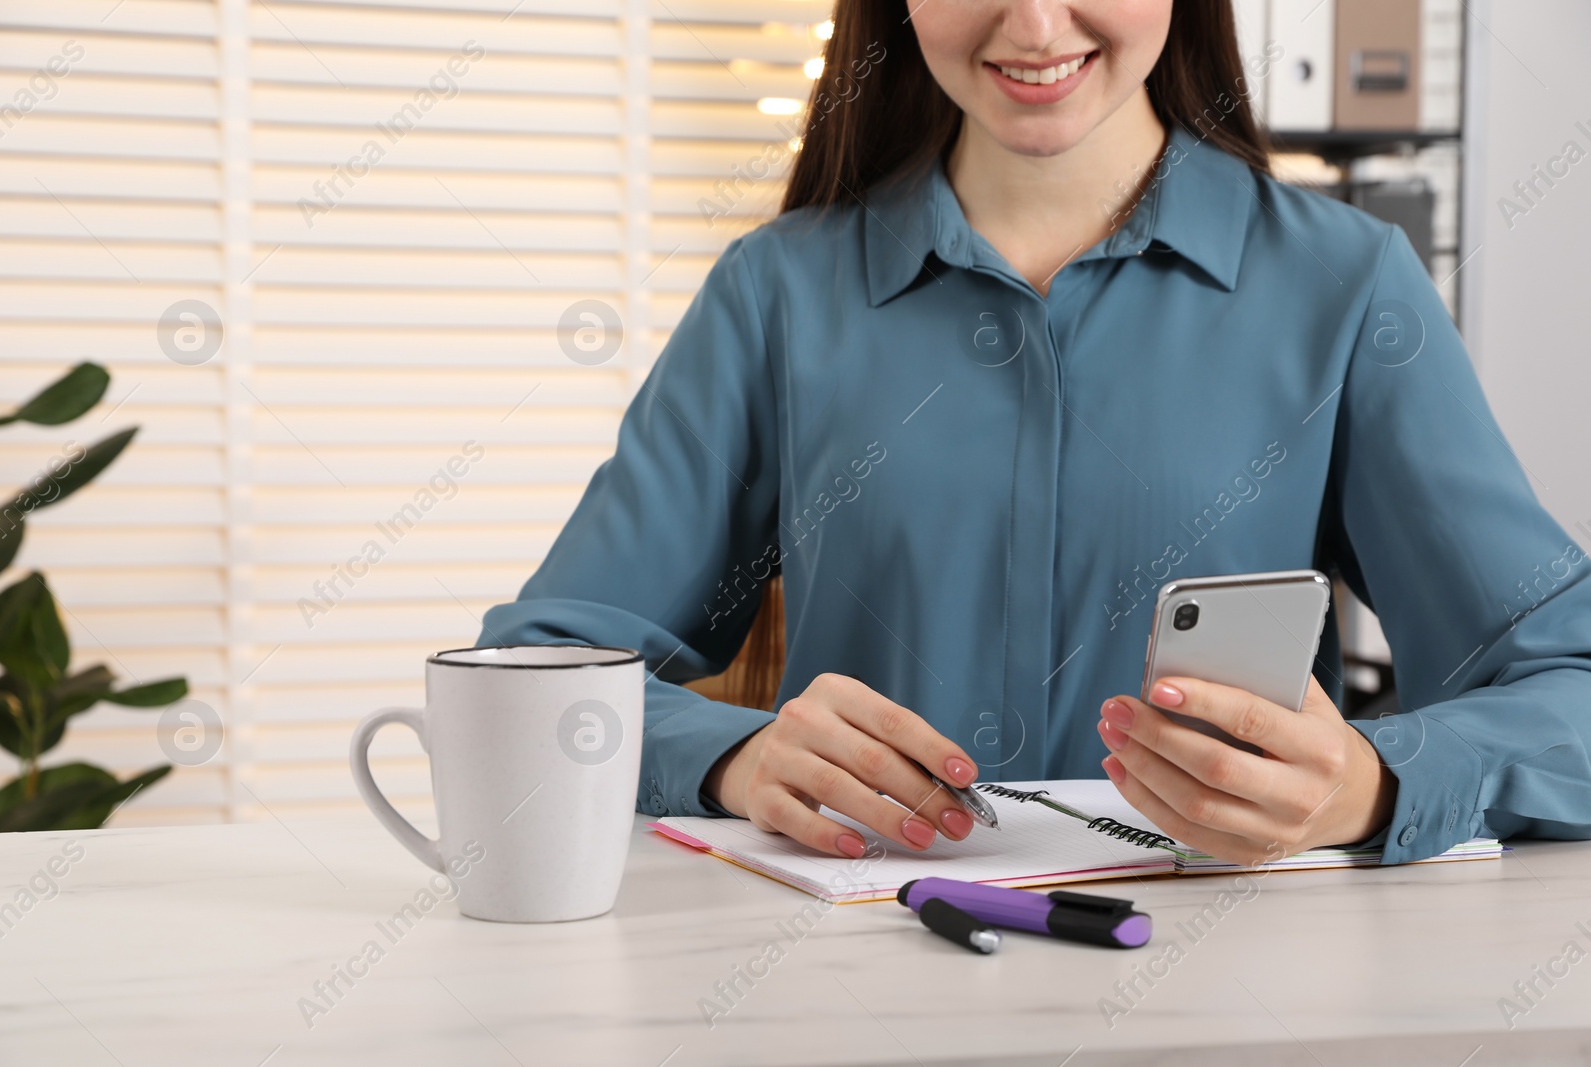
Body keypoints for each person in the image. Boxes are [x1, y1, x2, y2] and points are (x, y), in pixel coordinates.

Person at [481, 0, 1591, 868]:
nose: (1034, 26)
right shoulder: (774, 296)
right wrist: (730, 756)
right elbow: (531, 679)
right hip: (853, 999)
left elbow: (1571, 688)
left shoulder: (1344, 289)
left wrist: (1373, 785)